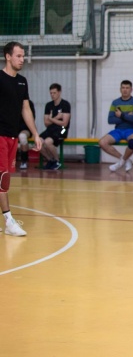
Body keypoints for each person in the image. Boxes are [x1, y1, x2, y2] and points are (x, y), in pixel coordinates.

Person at [1, 41, 42, 236]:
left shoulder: (22, 81)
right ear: (8, 57)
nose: (22, 59)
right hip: (0, 136)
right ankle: (9, 221)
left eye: (23, 56)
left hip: (13, 136)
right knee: (3, 178)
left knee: (4, 176)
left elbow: (25, 109)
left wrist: (35, 133)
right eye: (18, 56)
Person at [98, 80, 133, 172]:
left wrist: (121, 115)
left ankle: (120, 163)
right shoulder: (115, 102)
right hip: (118, 130)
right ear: (120, 89)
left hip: (132, 129)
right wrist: (127, 116)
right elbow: (110, 120)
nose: (125, 90)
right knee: (102, 142)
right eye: (123, 88)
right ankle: (125, 160)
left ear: (131, 89)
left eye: (127, 88)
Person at [39, 83, 71, 170]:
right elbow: (46, 123)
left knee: (47, 142)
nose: (52, 95)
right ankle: (50, 160)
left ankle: (57, 161)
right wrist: (56, 118)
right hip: (51, 129)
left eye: (54, 93)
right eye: (51, 93)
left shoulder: (65, 104)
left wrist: (51, 119)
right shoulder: (48, 105)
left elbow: (64, 123)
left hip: (63, 129)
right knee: (38, 142)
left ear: (59, 92)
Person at [17, 99, 35, 169]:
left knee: (22, 136)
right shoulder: (12, 102)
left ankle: (24, 161)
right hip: (13, 128)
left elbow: (31, 119)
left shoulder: (29, 103)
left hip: (26, 128)